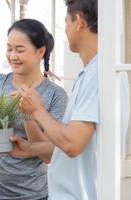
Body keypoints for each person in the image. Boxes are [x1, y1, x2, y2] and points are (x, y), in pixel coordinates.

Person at [0, 18, 68, 200]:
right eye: (9, 48)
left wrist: (28, 115)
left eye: (20, 49)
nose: (12, 56)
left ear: (40, 51)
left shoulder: (56, 95)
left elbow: (48, 154)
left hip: (29, 195)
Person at [10, 0, 98, 199]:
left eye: (66, 22)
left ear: (79, 22)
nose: (65, 30)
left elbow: (72, 143)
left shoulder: (98, 75)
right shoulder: (90, 73)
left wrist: (36, 110)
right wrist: (32, 148)